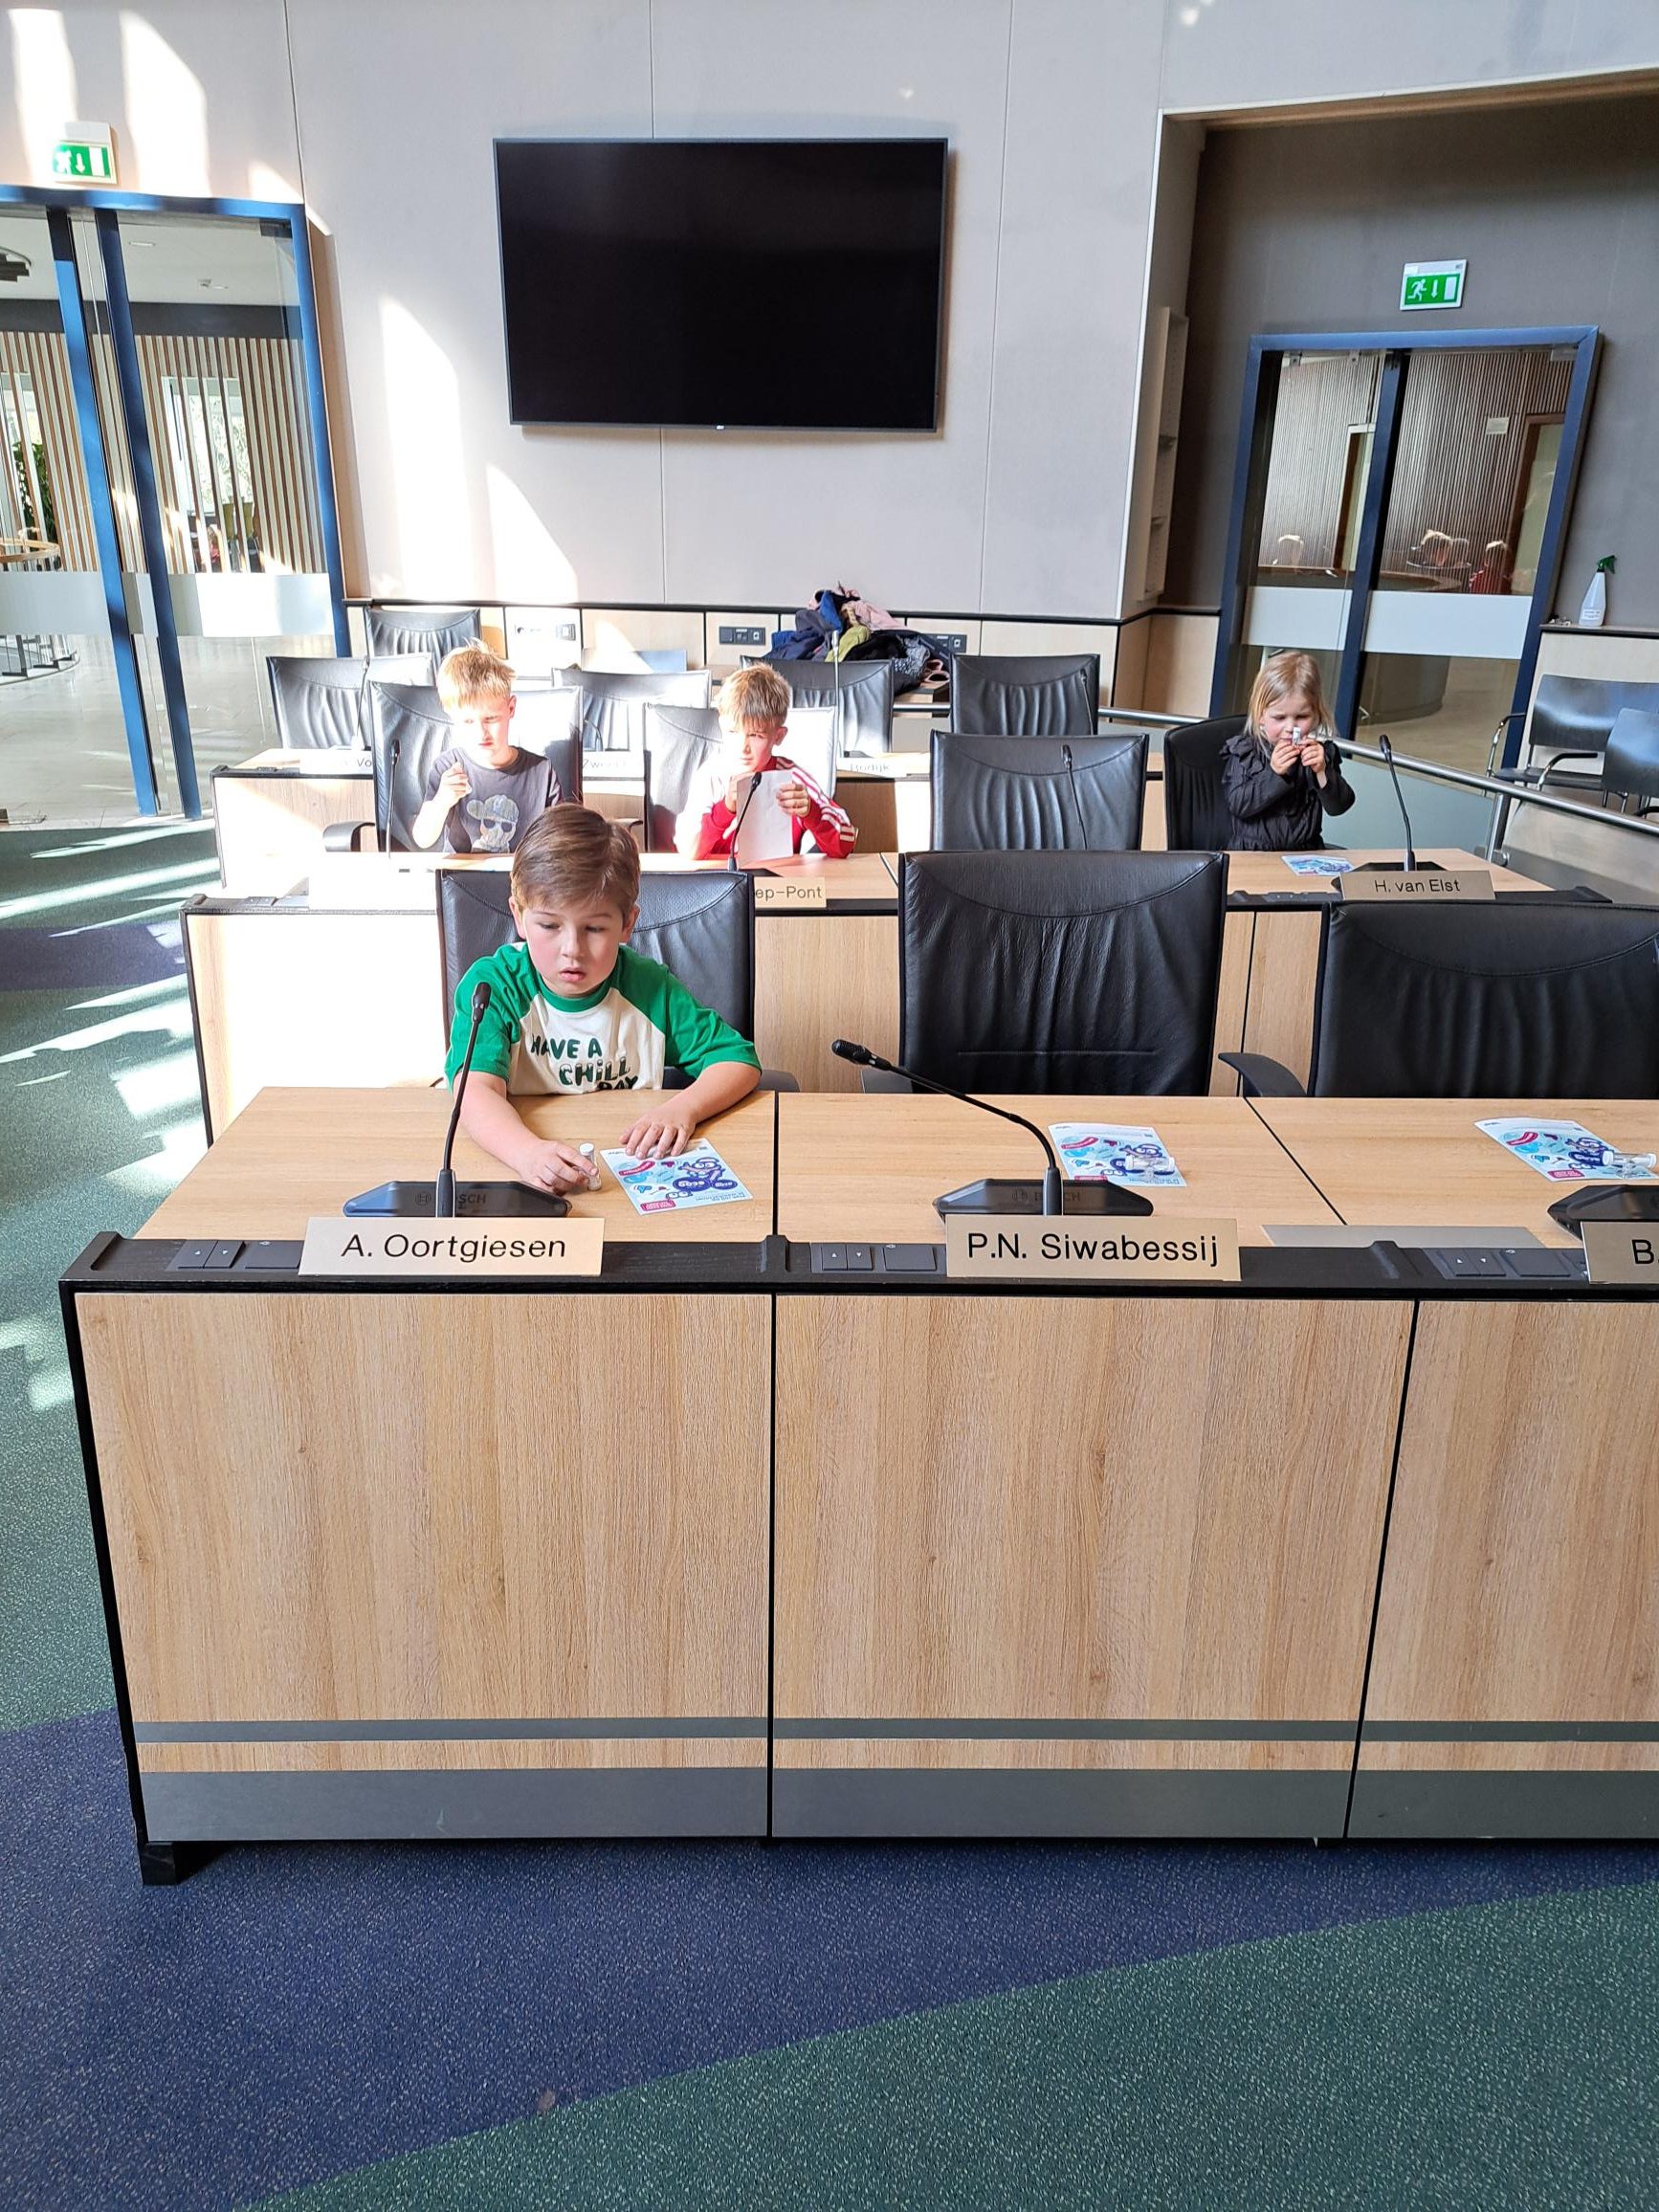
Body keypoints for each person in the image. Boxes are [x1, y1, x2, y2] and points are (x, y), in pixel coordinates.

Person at [445, 805, 761, 1196]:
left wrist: (683, 1108)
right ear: (519, 916)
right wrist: (526, 1153)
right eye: (549, 925)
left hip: (628, 1175)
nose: (572, 949)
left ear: (627, 924)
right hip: (521, 1170)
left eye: (594, 928)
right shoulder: (494, 987)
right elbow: (474, 1092)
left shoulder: (649, 988)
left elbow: (737, 1060)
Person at [676, 663, 858, 859]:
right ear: (721, 725)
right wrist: (726, 808)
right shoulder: (711, 777)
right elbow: (689, 850)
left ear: (778, 736)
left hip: (776, 877)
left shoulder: (792, 779)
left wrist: (812, 813)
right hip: (720, 876)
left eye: (756, 735)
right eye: (733, 732)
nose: (743, 747)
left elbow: (847, 841)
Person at [411, 644, 561, 853]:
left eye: (491, 719)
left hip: (524, 874)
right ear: (451, 716)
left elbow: (563, 841)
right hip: (462, 874)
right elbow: (423, 838)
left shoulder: (542, 772)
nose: (481, 732)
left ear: (511, 708)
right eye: (468, 721)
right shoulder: (447, 767)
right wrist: (442, 801)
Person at [1222, 650, 1356, 852]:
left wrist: (1322, 772)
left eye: (1301, 717)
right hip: (1252, 853)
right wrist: (1274, 774)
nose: (1290, 728)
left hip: (1305, 854)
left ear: (1317, 716)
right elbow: (1238, 805)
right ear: (1261, 717)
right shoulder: (1246, 751)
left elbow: (1340, 806)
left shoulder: (1321, 754)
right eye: (1279, 718)